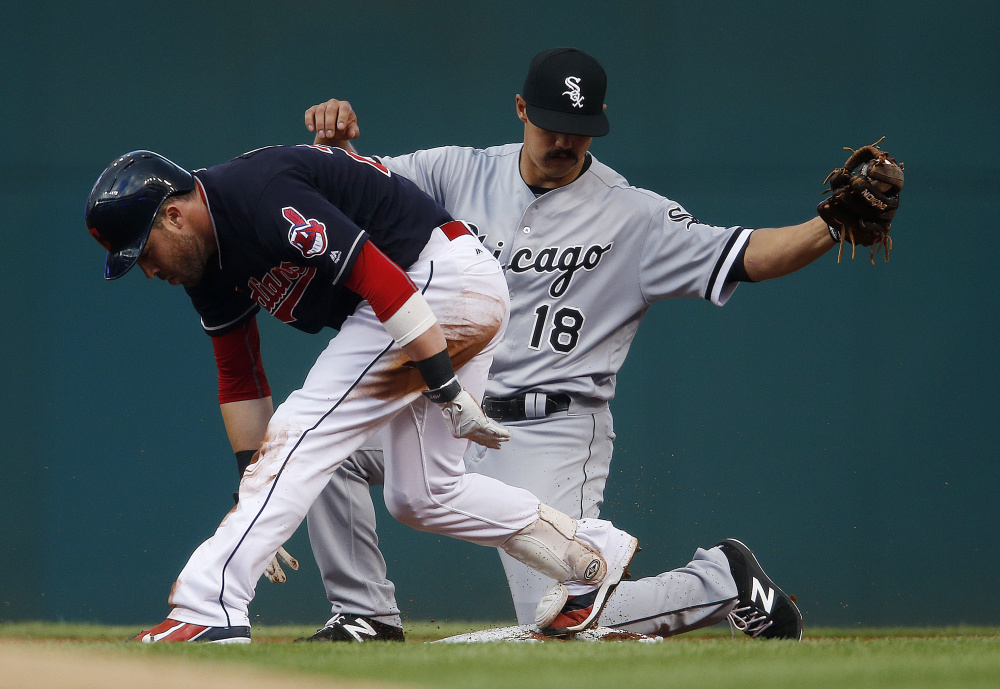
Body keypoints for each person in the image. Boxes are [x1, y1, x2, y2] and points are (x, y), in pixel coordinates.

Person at [293, 47, 844, 643]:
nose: (564, 141)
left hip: (547, 428)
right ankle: (366, 616)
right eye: (552, 124)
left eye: (580, 130)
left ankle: (722, 581)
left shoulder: (633, 215)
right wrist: (336, 146)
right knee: (323, 445)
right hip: (444, 408)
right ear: (521, 108)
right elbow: (351, 190)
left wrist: (830, 227)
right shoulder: (454, 173)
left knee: (565, 623)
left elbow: (746, 255)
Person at [84, 142, 640, 643]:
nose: (149, 270)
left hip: (430, 282)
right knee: (423, 494)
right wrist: (250, 500)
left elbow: (381, 278)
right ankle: (587, 554)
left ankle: (209, 604)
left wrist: (443, 386)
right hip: (438, 290)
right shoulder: (206, 264)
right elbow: (241, 378)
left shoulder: (256, 195)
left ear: (175, 215)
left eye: (145, 251)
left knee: (305, 426)